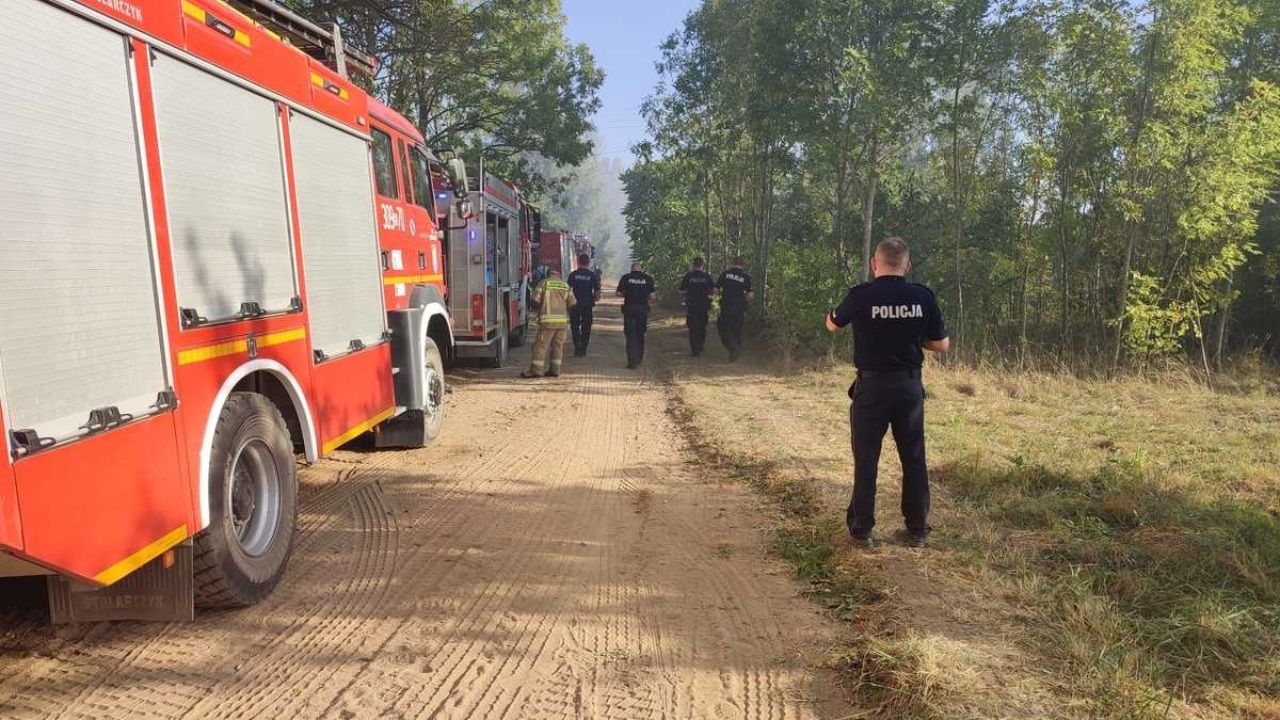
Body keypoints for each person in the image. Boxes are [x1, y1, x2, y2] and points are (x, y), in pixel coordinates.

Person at [825, 237, 949, 548]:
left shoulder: (861, 295)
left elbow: (832, 325)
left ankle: (861, 531)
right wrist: (909, 337)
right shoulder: (922, 296)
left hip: (872, 387)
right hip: (908, 388)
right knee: (914, 457)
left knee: (866, 458)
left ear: (874, 264)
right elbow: (941, 345)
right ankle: (917, 529)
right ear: (907, 265)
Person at [521, 268, 576, 378]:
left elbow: (535, 300)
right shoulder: (565, 285)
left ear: (548, 274)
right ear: (558, 274)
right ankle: (555, 370)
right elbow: (573, 303)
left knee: (540, 346)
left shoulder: (544, 283)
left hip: (547, 322)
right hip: (562, 323)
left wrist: (538, 309)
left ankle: (536, 370)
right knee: (558, 346)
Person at [616, 261, 657, 369]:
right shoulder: (648, 279)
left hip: (629, 310)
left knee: (630, 336)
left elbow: (618, 293)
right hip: (642, 310)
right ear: (641, 269)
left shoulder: (626, 278)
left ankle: (632, 361)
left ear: (631, 269)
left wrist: (627, 293)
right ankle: (639, 358)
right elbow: (652, 296)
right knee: (640, 335)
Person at [716, 257, 753, 361]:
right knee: (737, 329)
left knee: (724, 328)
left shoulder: (725, 274)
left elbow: (715, 289)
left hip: (727, 306)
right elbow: (750, 295)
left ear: (732, 263)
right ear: (743, 265)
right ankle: (737, 351)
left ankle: (733, 349)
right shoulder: (746, 277)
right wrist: (746, 305)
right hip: (739, 307)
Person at [678, 257, 716, 356]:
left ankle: (695, 349)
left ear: (693, 265)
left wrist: (688, 292)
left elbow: (681, 289)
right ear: (702, 265)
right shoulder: (707, 276)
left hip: (692, 305)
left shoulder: (688, 276)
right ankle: (701, 346)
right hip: (704, 305)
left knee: (692, 327)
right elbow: (713, 290)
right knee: (702, 326)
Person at [566, 253, 602, 356]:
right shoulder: (592, 275)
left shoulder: (573, 275)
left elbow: (567, 290)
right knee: (586, 326)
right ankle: (583, 348)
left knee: (574, 326)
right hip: (587, 305)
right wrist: (596, 298)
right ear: (588, 263)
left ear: (578, 262)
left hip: (574, 305)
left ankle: (577, 344)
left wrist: (568, 303)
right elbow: (597, 291)